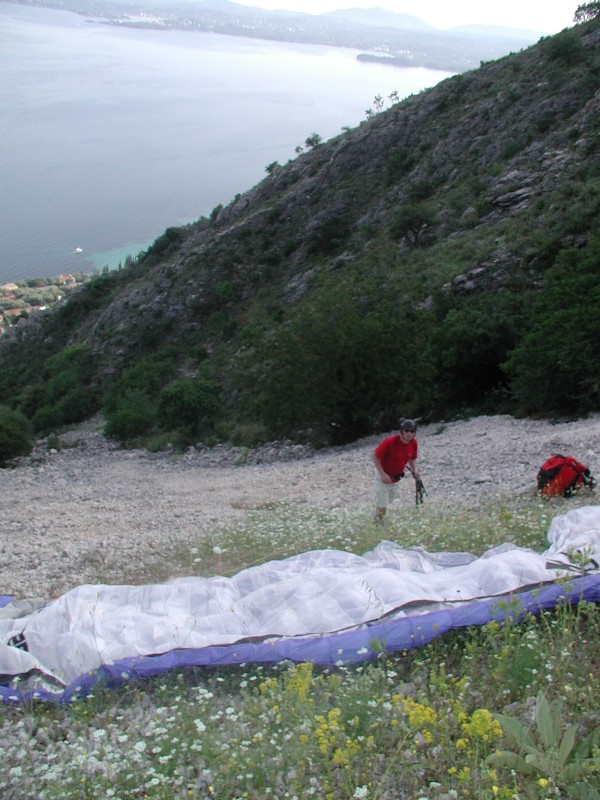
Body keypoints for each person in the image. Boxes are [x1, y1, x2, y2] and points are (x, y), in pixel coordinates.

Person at [372, 419, 420, 520]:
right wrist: (383, 474)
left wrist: (415, 469)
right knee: (382, 505)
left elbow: (412, 458)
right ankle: (377, 524)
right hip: (382, 476)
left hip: (396, 478)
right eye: (406, 430)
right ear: (402, 431)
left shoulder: (414, 443)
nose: (409, 434)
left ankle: (376, 513)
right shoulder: (390, 442)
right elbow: (375, 457)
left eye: (412, 431)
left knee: (389, 500)